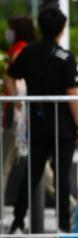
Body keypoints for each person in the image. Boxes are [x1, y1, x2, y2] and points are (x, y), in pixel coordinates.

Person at [5, 8, 78, 233]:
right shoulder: (65, 57)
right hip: (63, 124)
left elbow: (10, 76)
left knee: (33, 172)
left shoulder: (29, 52)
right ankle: (63, 224)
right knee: (62, 173)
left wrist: (18, 101)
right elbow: (72, 96)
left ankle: (18, 219)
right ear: (61, 29)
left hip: (38, 121)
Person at [2, 16, 35, 185]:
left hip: (17, 113)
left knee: (4, 164)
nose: (9, 33)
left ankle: (69, 205)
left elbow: (12, 77)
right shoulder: (22, 48)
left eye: (11, 29)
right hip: (18, 111)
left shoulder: (20, 50)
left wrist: (16, 101)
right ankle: (69, 204)